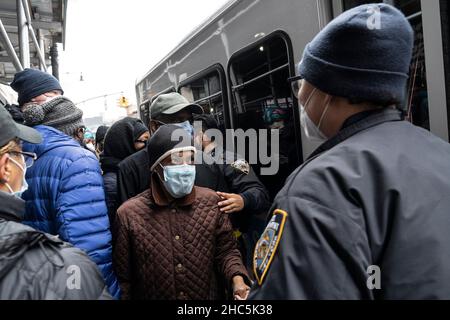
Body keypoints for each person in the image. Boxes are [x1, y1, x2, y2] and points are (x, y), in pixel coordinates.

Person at [249, 3, 450, 300]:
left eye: (303, 82)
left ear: (328, 91)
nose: (301, 96)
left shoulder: (318, 188)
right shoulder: (440, 153)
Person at [113, 124, 251, 300]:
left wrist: (237, 280)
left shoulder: (212, 203)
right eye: (177, 160)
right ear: (157, 167)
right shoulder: (128, 215)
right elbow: (124, 279)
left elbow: (227, 252)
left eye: (191, 160)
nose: (186, 167)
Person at [0, 106, 111, 299]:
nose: (26, 167)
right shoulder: (60, 268)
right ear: (6, 167)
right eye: (21, 155)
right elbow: (87, 240)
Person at [116, 92, 226, 206]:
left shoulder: (206, 161)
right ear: (154, 126)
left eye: (189, 120)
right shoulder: (131, 169)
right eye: (177, 121)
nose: (187, 126)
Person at [193, 114, 271, 266]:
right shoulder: (194, 161)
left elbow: (260, 192)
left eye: (194, 133)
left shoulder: (234, 159)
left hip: (233, 240)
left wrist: (243, 199)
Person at [100, 117, 149, 221]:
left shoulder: (136, 172)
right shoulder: (112, 184)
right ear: (123, 144)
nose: (147, 146)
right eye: (143, 141)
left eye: (149, 140)